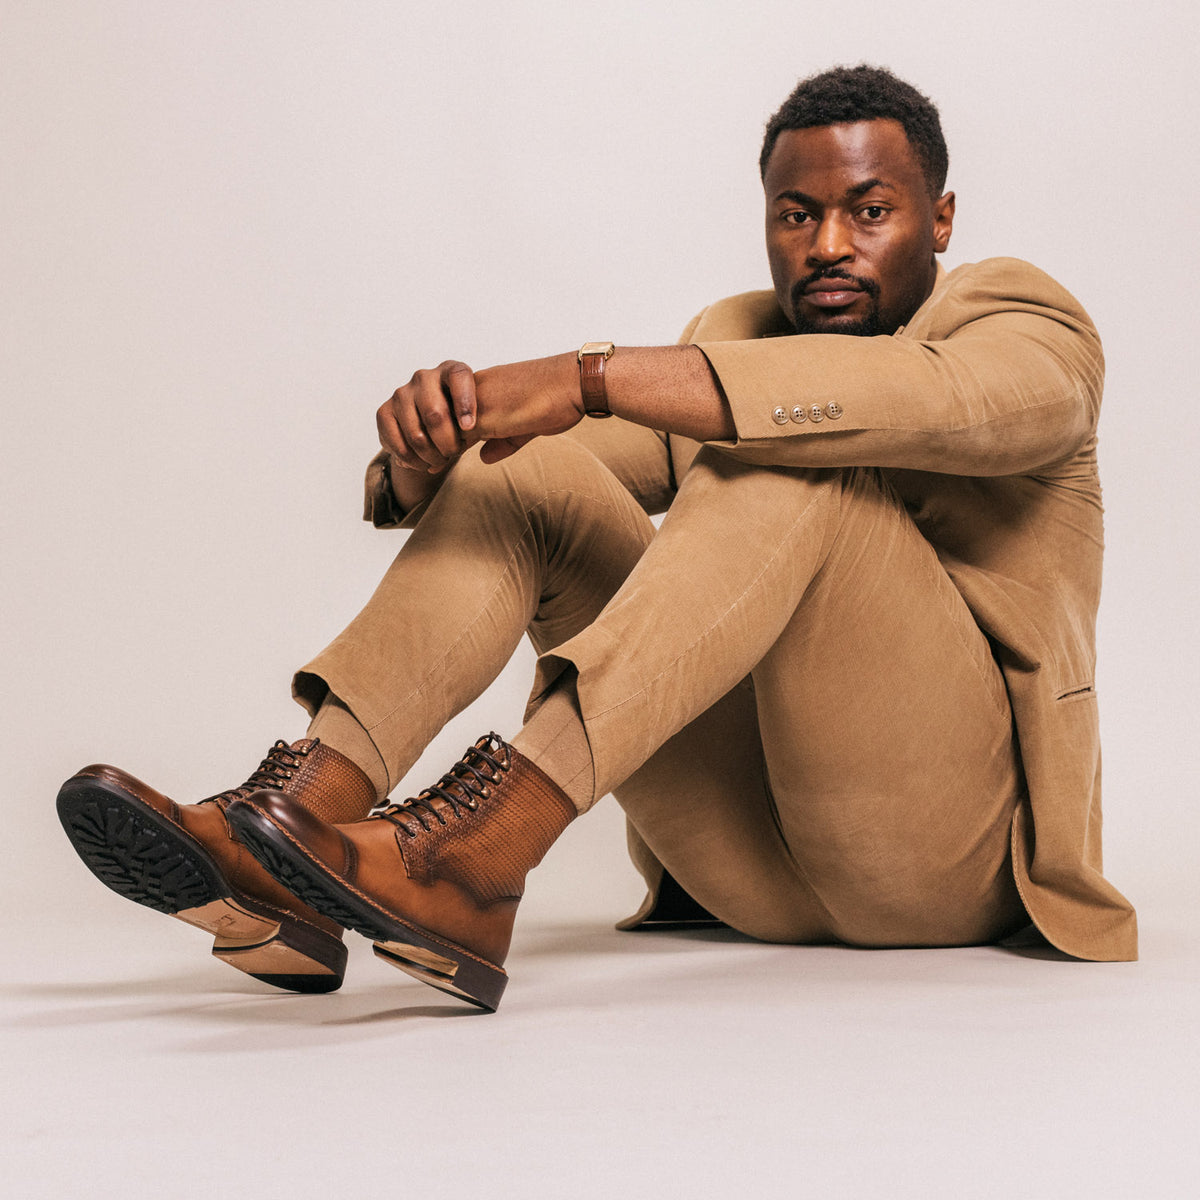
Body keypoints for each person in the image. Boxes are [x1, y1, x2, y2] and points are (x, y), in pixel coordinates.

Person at [56, 65, 1136, 1012]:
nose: (829, 246)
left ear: (941, 219)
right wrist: (441, 451)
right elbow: (557, 468)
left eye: (870, 210)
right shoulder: (740, 337)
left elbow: (920, 398)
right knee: (532, 472)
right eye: (796, 216)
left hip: (944, 860)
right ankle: (285, 836)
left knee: (798, 450)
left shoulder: (1028, 326)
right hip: (745, 867)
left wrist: (587, 375)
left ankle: (477, 853)